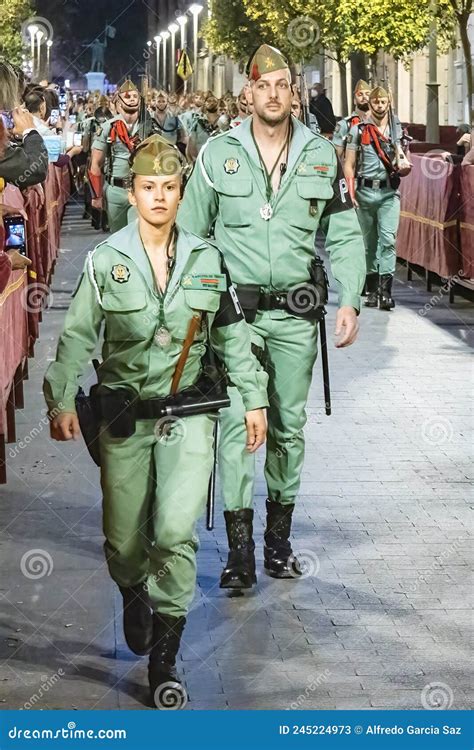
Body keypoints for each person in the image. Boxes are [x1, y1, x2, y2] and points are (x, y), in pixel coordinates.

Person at [43, 134, 268, 708]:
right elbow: (76, 337)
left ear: (180, 190)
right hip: (124, 419)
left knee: (173, 530)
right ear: (133, 192)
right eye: (149, 188)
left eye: (170, 188)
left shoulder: (207, 259)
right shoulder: (105, 261)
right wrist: (61, 398)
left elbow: (232, 336)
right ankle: (132, 589)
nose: (160, 198)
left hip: (188, 415)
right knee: (123, 541)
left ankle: (165, 658)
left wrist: (255, 396)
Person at [178, 44, 365, 590]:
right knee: (237, 425)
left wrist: (350, 299)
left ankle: (277, 543)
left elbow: (347, 234)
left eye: (284, 84)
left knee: (288, 429)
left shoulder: (321, 155)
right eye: (265, 85)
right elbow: (191, 238)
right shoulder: (217, 155)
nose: (275, 94)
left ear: (294, 92)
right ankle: (239, 552)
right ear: (249, 93)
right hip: (234, 319)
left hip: (294, 319)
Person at [344, 85, 403, 310]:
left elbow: (402, 156)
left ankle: (386, 292)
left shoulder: (396, 128)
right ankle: (371, 289)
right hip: (364, 192)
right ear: (370, 103)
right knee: (368, 244)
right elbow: (349, 164)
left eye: (383, 102)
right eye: (376, 102)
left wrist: (403, 162)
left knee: (388, 240)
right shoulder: (358, 129)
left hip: (389, 193)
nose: (379, 106)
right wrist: (350, 192)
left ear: (388, 103)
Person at [88, 80, 155, 233]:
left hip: (142, 188)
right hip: (116, 190)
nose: (132, 99)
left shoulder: (150, 126)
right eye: (127, 96)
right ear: (118, 103)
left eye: (135, 96)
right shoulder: (108, 127)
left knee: (140, 236)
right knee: (118, 238)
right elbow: (95, 163)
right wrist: (97, 195)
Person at [333, 80, 371, 159]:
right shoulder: (344, 125)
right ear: (354, 100)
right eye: (360, 94)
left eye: (368, 94)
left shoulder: (378, 123)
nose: (364, 97)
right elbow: (336, 157)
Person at [186, 91, 222, 164]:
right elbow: (190, 147)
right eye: (209, 101)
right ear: (205, 104)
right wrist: (197, 162)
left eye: (214, 101)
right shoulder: (197, 123)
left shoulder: (224, 123)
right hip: (200, 163)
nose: (211, 103)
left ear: (218, 104)